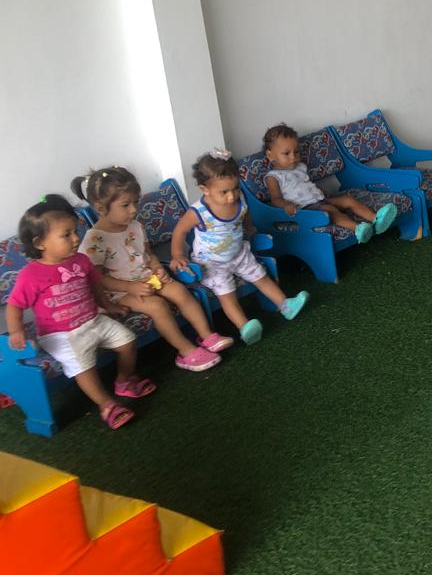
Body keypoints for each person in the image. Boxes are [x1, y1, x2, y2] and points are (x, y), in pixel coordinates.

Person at [5, 195, 151, 429]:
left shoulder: (81, 260)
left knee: (128, 342)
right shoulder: (31, 275)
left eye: (75, 231)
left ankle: (124, 381)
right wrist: (16, 330)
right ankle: (107, 406)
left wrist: (109, 305)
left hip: (94, 320)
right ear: (40, 243)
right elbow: (15, 305)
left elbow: (95, 286)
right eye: (66, 235)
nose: (76, 238)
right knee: (83, 368)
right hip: (61, 335)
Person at [75, 166, 229, 370]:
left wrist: (157, 268)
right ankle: (186, 352)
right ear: (101, 208)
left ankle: (207, 336)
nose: (133, 210)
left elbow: (148, 254)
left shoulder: (135, 226)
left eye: (135, 202)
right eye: (125, 205)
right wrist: (130, 288)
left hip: (147, 278)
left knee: (179, 291)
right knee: (157, 306)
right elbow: (97, 279)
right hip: (118, 293)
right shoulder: (95, 240)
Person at [170, 150, 308, 344]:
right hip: (211, 263)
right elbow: (180, 231)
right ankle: (245, 327)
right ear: (204, 189)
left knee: (262, 277)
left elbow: (245, 213)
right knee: (227, 296)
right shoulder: (199, 212)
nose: (231, 196)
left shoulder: (240, 197)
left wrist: (249, 228)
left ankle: (285, 305)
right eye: (224, 192)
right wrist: (177, 255)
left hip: (239, 253)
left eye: (235, 188)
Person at [261, 124, 397, 242]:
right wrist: (286, 206)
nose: (293, 157)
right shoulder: (274, 177)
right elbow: (275, 199)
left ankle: (377, 219)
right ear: (270, 155)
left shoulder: (300, 167)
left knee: (348, 199)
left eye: (296, 152)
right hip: (305, 209)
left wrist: (322, 192)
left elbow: (307, 185)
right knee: (330, 211)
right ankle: (358, 229)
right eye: (286, 153)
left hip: (321, 200)